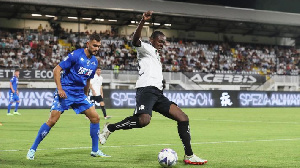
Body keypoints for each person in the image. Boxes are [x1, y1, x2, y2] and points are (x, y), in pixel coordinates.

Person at [99, 11, 207, 165]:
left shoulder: (156, 55)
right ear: (151, 40)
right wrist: (143, 21)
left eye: (164, 41)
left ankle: (189, 155)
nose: (162, 43)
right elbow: (135, 39)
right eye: (160, 40)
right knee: (144, 121)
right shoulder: (145, 48)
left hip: (158, 93)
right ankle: (110, 128)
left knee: (183, 118)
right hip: (146, 89)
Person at [26, 33, 110, 160]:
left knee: (95, 118)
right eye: (94, 45)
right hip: (65, 92)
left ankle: (95, 150)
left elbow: (87, 80)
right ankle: (32, 149)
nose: (97, 48)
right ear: (88, 44)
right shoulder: (76, 55)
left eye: (98, 46)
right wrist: (59, 88)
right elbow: (56, 70)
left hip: (79, 95)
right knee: (52, 120)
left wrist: (85, 95)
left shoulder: (94, 62)